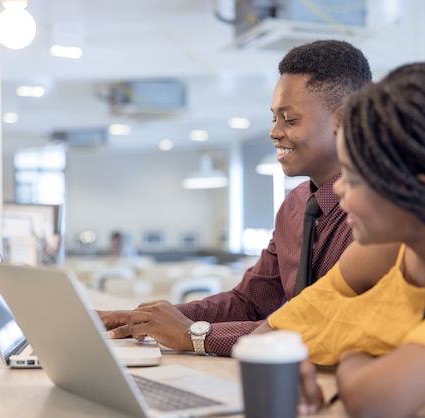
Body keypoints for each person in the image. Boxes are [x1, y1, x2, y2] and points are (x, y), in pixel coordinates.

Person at [98, 39, 372, 356]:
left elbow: (327, 325)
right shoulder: (295, 206)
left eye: (291, 119)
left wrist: (195, 335)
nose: (274, 132)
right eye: (274, 118)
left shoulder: (378, 213)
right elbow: (251, 301)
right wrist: (146, 319)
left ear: (343, 119)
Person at [265, 62, 425, 416]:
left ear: (418, 191)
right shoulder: (382, 253)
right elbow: (272, 334)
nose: (339, 187)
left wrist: (355, 356)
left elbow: (372, 400)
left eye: (355, 178)